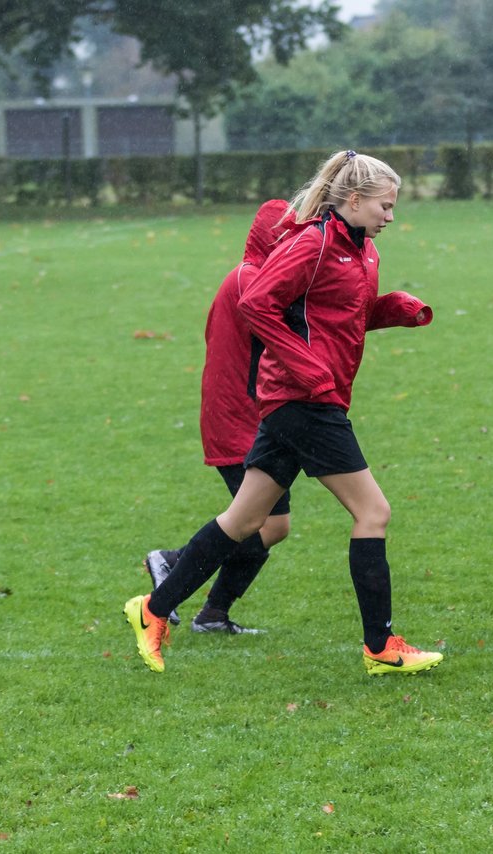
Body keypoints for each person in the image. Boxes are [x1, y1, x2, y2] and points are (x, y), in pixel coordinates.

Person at [124, 150, 442, 675]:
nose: (391, 217)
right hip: (306, 402)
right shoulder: (312, 243)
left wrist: (395, 309)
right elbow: (258, 304)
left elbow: (342, 318)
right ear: (354, 200)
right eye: (384, 206)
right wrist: (307, 368)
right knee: (373, 513)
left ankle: (153, 609)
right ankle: (381, 647)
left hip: (307, 398)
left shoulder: (363, 252)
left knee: (247, 520)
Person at [143, 200, 293, 635]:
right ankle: (172, 568)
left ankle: (212, 614)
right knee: (255, 521)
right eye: (289, 237)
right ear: (274, 238)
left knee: (272, 524)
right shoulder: (251, 279)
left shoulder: (254, 276)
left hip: (249, 413)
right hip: (237, 418)